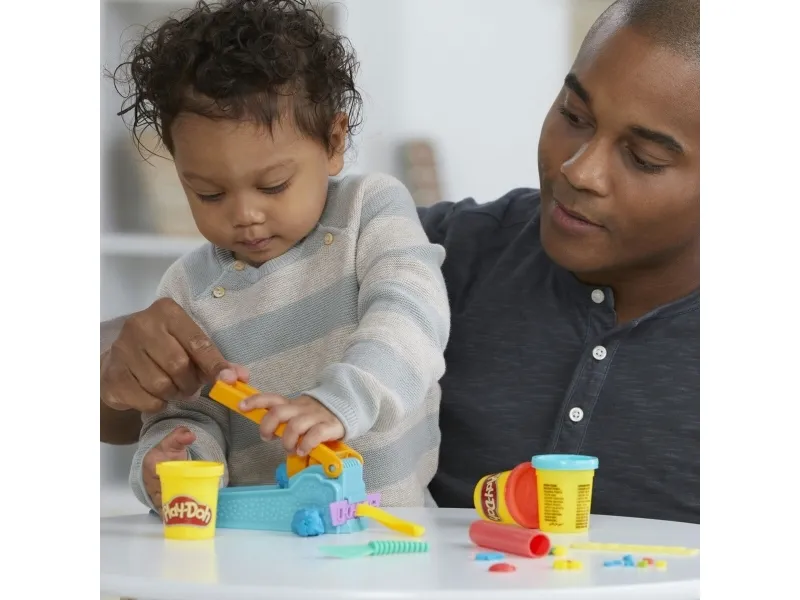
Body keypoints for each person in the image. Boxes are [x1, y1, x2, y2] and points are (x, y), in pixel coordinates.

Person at [101, 0, 699, 523]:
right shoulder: (437, 247)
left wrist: (339, 401)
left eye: (644, 157)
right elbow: (147, 402)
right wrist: (120, 365)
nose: (579, 170)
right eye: (574, 116)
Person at [107, 0, 450, 511]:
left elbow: (412, 315)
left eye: (273, 186)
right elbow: (187, 417)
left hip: (386, 533)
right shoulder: (186, 289)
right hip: (255, 540)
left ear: (334, 141)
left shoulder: (368, 211)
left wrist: (338, 403)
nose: (245, 215)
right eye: (209, 194)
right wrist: (176, 463)